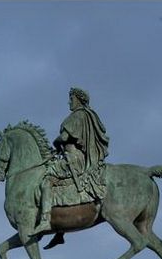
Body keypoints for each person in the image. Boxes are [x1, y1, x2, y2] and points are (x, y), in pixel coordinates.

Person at [37, 87, 111, 244]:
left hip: (73, 159)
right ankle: (60, 231)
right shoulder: (87, 115)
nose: (69, 102)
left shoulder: (78, 115)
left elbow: (65, 136)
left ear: (78, 99)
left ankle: (45, 220)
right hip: (75, 157)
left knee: (47, 181)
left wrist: (57, 141)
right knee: (61, 187)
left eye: (71, 99)